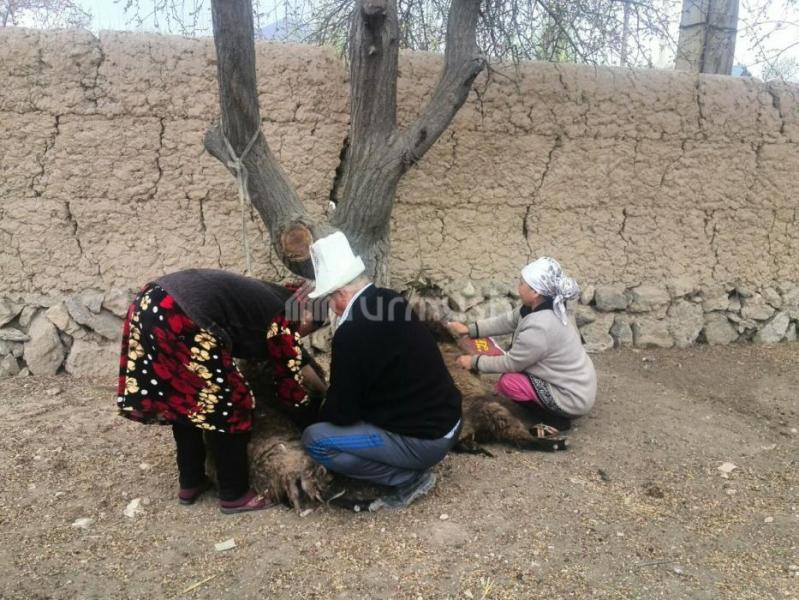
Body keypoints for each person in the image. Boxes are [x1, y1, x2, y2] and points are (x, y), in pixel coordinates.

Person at [116, 268, 325, 514]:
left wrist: (324, 389)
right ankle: (234, 494)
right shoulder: (284, 317)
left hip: (150, 304)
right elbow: (292, 375)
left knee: (187, 400)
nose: (301, 336)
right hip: (182, 315)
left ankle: (191, 481)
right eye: (308, 330)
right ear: (307, 315)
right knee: (231, 403)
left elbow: (296, 359)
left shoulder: (273, 298)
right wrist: (319, 404)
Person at [300, 232, 462, 510]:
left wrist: (317, 412)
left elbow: (342, 413)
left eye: (328, 299)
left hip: (426, 439)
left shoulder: (352, 333)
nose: (330, 307)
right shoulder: (389, 299)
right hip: (448, 420)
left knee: (315, 439)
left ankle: (407, 478)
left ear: (340, 295)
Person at [449, 257, 597, 433]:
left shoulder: (540, 327)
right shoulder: (541, 307)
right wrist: (469, 330)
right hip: (578, 383)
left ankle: (556, 419)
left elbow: (511, 363)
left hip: (571, 397)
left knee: (509, 383)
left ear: (535, 292)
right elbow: (506, 321)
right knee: (518, 373)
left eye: (521, 283)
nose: (518, 287)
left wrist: (473, 362)